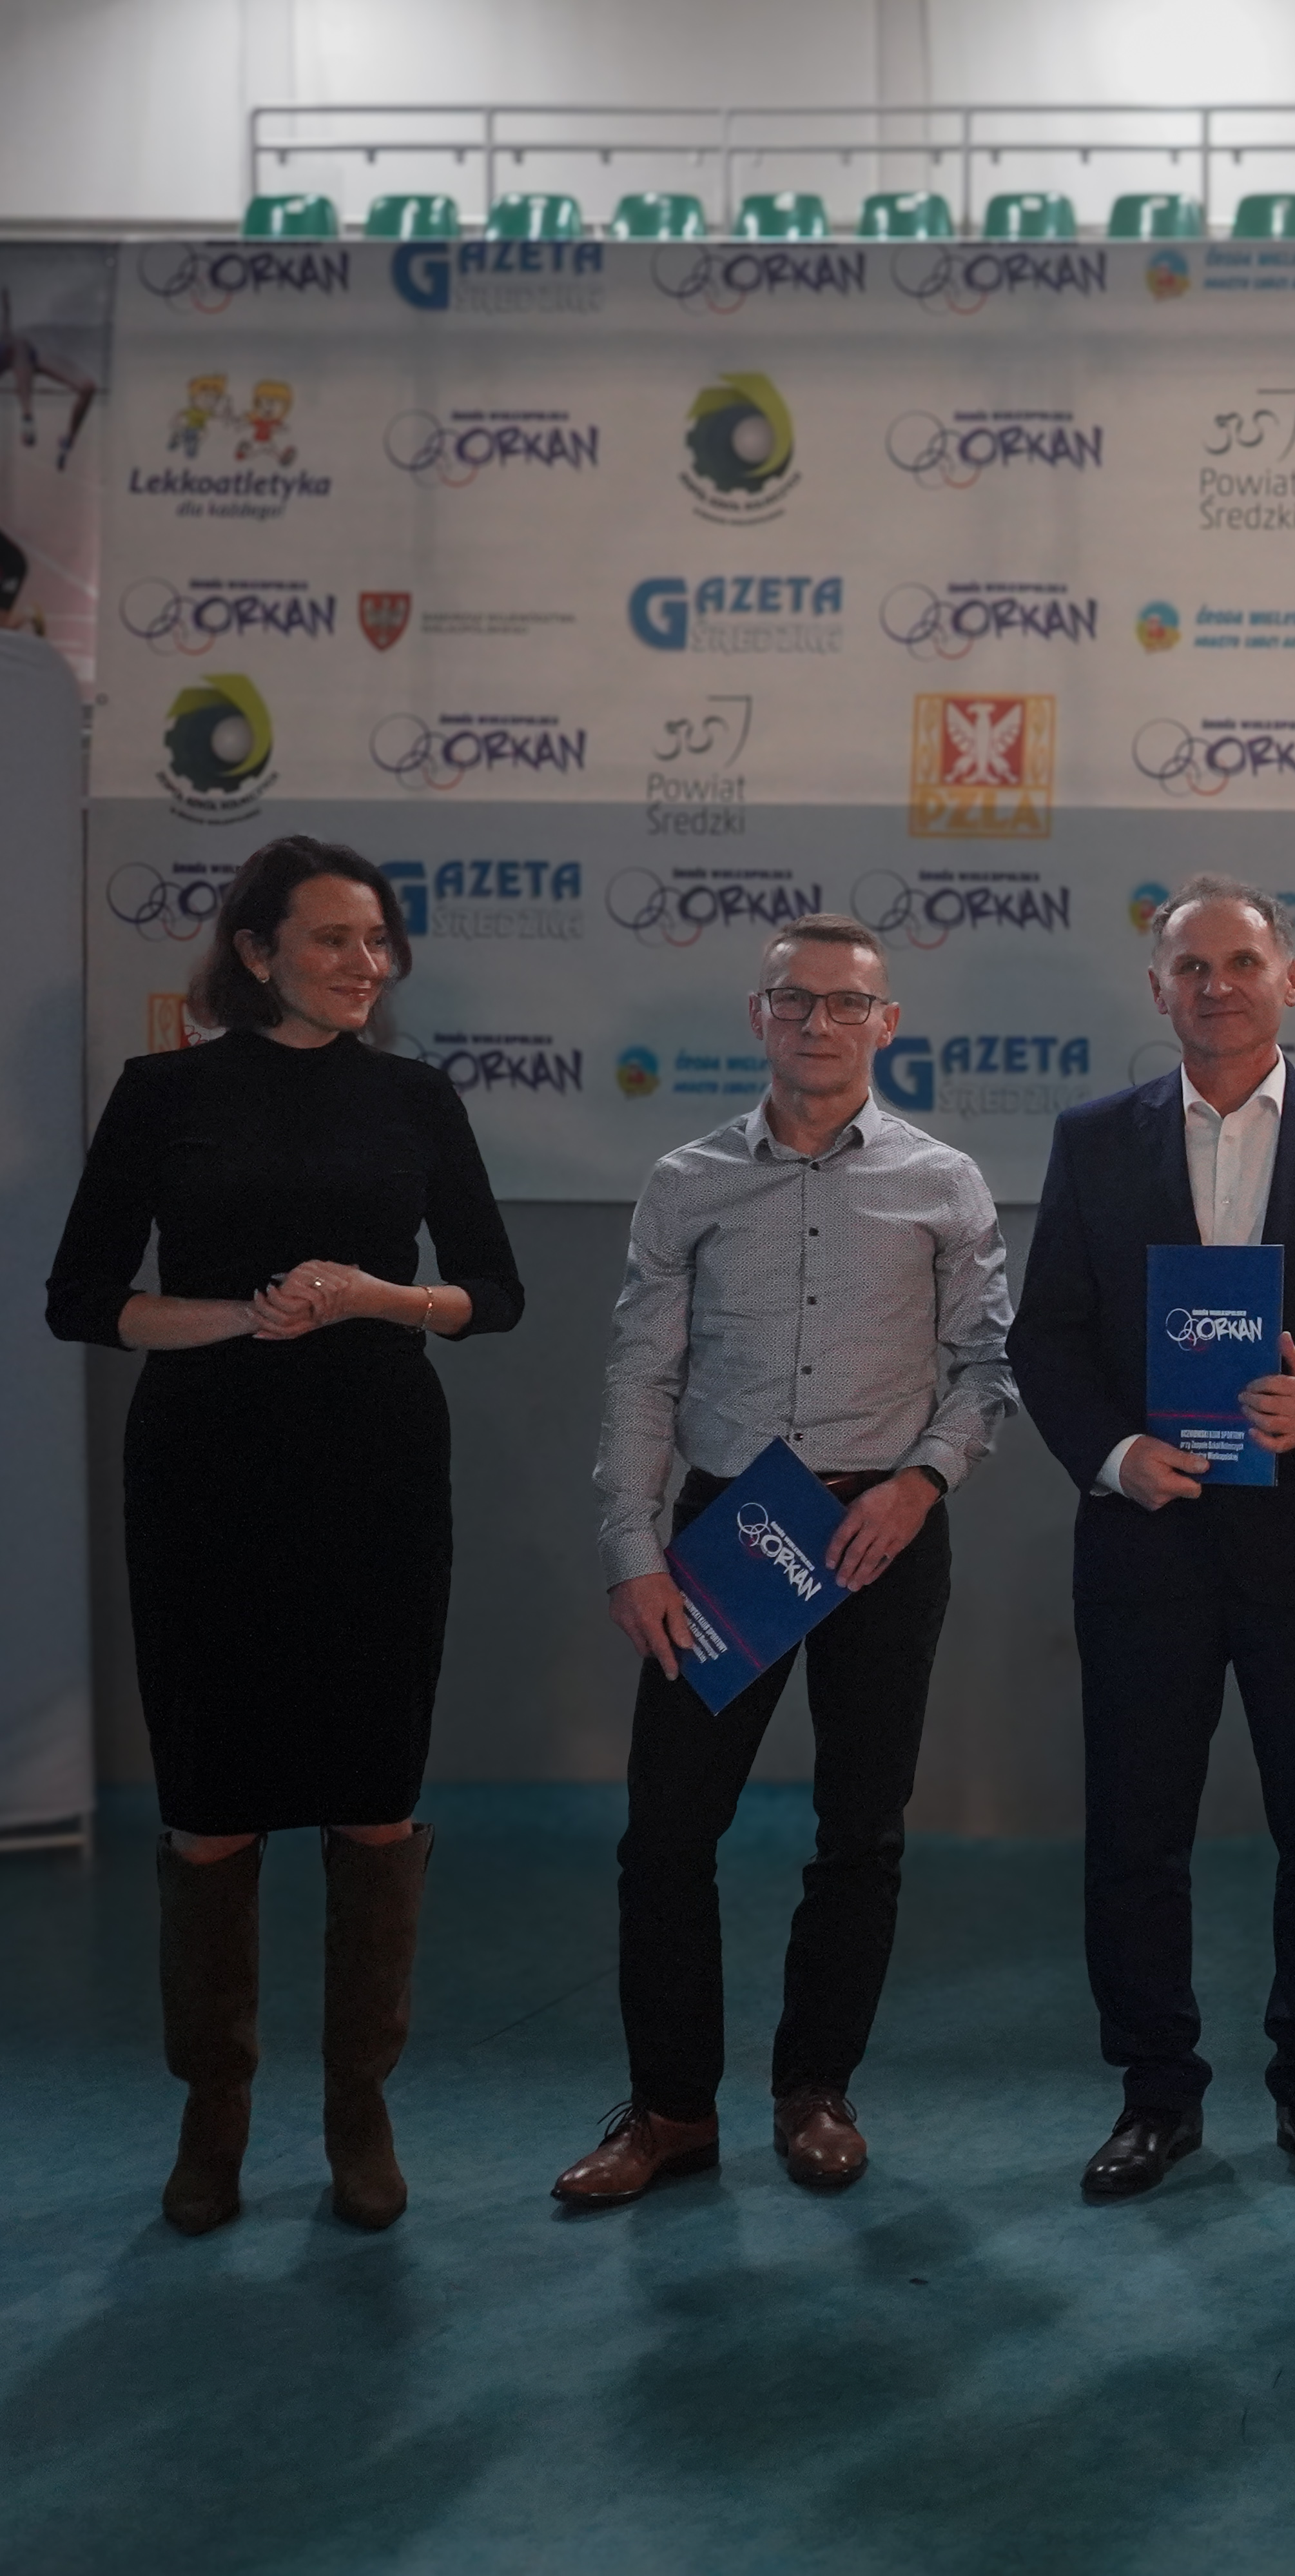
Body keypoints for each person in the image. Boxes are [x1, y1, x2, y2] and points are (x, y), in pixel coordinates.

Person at [44, 836, 522, 2236]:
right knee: (212, 1810)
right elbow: (82, 1298)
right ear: (255, 953)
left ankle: (358, 2108)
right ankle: (214, 2114)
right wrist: (241, 1318)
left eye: (376, 940)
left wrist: (376, 1295)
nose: (364, 963)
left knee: (374, 1797)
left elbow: (491, 1293)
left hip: (378, 1475)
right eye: (331, 939)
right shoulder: (164, 1094)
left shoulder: (416, 1097)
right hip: (205, 1475)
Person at [550, 914, 1016, 2208]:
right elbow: (641, 1376)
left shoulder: (944, 1181)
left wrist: (921, 1483)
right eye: (794, 999)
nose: (820, 1021)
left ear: (887, 1023)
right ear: (758, 1016)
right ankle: (670, 2112)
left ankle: (817, 2093)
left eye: (846, 1002)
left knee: (859, 1830)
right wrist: (634, 1548)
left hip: (881, 1532)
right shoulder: (685, 1180)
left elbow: (986, 1369)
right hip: (726, 1537)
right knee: (666, 1833)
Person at [1008, 875, 1295, 2203]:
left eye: (1241, 961)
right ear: (1158, 990)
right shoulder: (1094, 1140)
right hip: (1147, 1544)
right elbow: (1047, 1336)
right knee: (1136, 1837)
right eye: (1190, 966)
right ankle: (1155, 2095)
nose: (1217, 985)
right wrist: (1114, 1454)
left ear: (1288, 980)